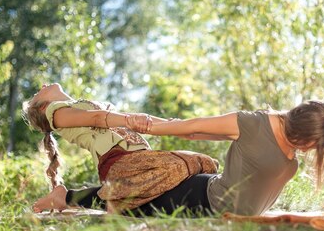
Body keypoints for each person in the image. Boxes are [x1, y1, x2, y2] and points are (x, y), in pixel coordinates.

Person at [26, 83, 324, 217]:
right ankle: (66, 197)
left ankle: (69, 197)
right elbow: (192, 127)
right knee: (131, 202)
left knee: (186, 168)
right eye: (314, 144)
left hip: (204, 192)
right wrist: (146, 124)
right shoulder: (254, 124)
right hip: (198, 196)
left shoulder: (290, 142)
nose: (312, 151)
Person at [22, 83, 218, 215]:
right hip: (119, 163)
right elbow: (97, 118)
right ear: (41, 107)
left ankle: (121, 200)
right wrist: (129, 120)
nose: (42, 86)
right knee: (176, 167)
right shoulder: (55, 114)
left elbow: (135, 119)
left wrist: (176, 126)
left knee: (206, 163)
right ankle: (69, 197)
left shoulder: (83, 104)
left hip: (141, 158)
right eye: (35, 94)